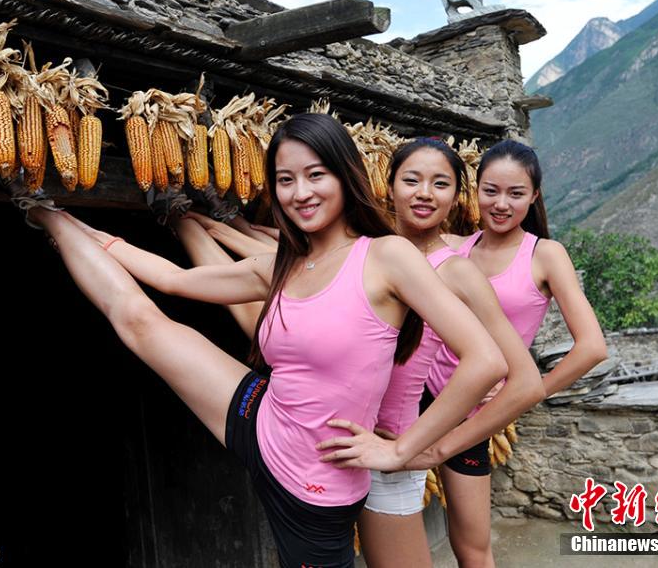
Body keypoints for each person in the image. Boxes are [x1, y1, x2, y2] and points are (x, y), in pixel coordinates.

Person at [17, 113, 507, 567]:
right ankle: (46, 215)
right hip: (261, 418)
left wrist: (403, 452)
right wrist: (78, 225)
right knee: (141, 323)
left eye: (315, 175)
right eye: (285, 180)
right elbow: (171, 278)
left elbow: (485, 360)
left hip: (314, 490)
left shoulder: (388, 256)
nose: (300, 193)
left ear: (345, 175)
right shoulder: (282, 265)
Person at [183, 139, 545, 567]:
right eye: (411, 180)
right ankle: (180, 220)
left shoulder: (457, 271)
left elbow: (524, 382)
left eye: (440, 183)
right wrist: (213, 225)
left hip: (385, 450)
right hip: (320, 448)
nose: (424, 193)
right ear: (387, 186)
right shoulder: (362, 251)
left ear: (455, 196)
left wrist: (428, 450)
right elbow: (276, 267)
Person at [420, 139, 608, 568]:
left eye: (516, 193)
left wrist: (525, 391)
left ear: (534, 196)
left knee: (470, 546)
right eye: (490, 191)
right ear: (475, 190)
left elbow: (592, 346)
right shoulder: (453, 247)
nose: (501, 204)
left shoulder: (544, 255)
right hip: (420, 398)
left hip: (472, 414)